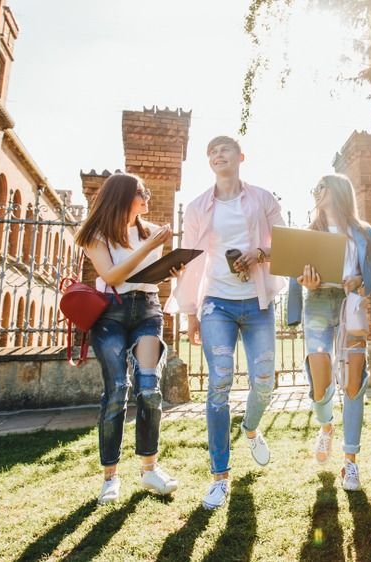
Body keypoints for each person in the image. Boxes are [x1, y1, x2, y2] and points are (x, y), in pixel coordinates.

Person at [166, 135, 285, 510]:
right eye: (212, 151)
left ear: (240, 157)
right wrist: (191, 315)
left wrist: (259, 253)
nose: (218, 154)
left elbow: (286, 243)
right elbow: (189, 261)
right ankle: (219, 476)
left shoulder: (263, 198)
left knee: (264, 381)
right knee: (219, 383)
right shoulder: (199, 206)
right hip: (216, 302)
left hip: (258, 303)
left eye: (225, 149)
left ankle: (250, 428)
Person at [75, 172, 180, 504]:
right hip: (110, 316)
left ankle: (150, 469)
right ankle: (110, 477)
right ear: (122, 196)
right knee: (117, 389)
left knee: (149, 388)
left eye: (147, 192)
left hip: (148, 313)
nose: (147, 198)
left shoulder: (150, 231)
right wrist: (148, 247)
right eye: (141, 192)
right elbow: (113, 275)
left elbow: (151, 277)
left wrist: (173, 269)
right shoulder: (95, 235)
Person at [286, 173, 371, 491]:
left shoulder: (364, 232)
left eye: (321, 187)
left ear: (339, 191)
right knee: (319, 379)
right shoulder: (309, 232)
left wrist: (360, 282)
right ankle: (327, 425)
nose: (315, 192)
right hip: (317, 303)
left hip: (351, 305)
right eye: (313, 188)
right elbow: (295, 273)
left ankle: (350, 464)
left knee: (354, 382)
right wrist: (305, 281)